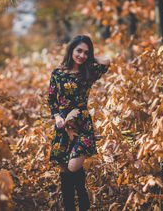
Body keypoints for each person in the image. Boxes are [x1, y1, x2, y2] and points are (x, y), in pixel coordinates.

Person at [48, 35, 110, 211]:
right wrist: (57, 117)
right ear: (71, 50)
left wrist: (91, 59)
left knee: (73, 166)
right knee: (64, 170)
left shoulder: (88, 72)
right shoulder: (57, 73)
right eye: (79, 51)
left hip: (82, 124)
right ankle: (71, 207)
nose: (81, 55)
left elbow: (107, 61)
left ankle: (83, 202)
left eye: (86, 53)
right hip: (62, 125)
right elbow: (52, 99)